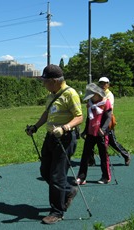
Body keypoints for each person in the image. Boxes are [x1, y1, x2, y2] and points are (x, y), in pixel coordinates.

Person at [26, 64, 83, 224]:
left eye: (45, 81)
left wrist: (65, 128)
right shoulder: (52, 95)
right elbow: (47, 113)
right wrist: (35, 127)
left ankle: (57, 211)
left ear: (54, 81)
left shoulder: (70, 94)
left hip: (64, 139)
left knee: (57, 176)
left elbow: (79, 117)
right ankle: (68, 190)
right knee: (45, 171)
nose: (43, 84)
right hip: (50, 137)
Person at [76, 83, 112, 185]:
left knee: (103, 156)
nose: (90, 98)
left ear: (97, 94)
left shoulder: (106, 102)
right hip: (91, 133)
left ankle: (106, 177)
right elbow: (89, 118)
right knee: (85, 155)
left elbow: (108, 117)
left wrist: (103, 129)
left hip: (101, 134)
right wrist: (85, 131)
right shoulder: (90, 103)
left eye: (92, 96)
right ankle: (81, 177)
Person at [99, 77, 131, 166]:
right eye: (101, 83)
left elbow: (108, 109)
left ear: (108, 84)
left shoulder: (109, 95)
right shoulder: (98, 93)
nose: (103, 85)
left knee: (112, 142)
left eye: (104, 83)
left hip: (107, 120)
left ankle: (126, 155)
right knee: (92, 140)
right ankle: (90, 160)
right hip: (98, 120)